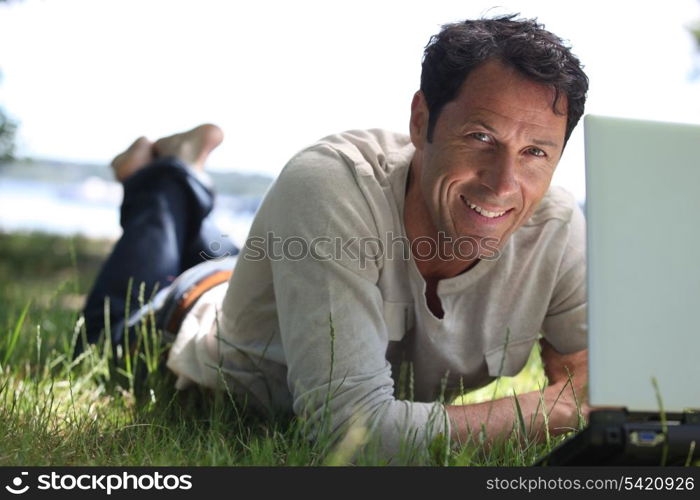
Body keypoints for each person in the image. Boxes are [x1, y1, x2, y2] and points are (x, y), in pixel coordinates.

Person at [81, 14, 590, 462]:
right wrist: (552, 410)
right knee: (154, 232)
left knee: (237, 252)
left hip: (279, 270)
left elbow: (599, 388)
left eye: (535, 153)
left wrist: (581, 397)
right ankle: (168, 176)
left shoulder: (558, 229)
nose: (503, 183)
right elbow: (352, 438)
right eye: (480, 137)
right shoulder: (331, 182)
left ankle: (184, 173)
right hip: (178, 313)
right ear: (421, 120)